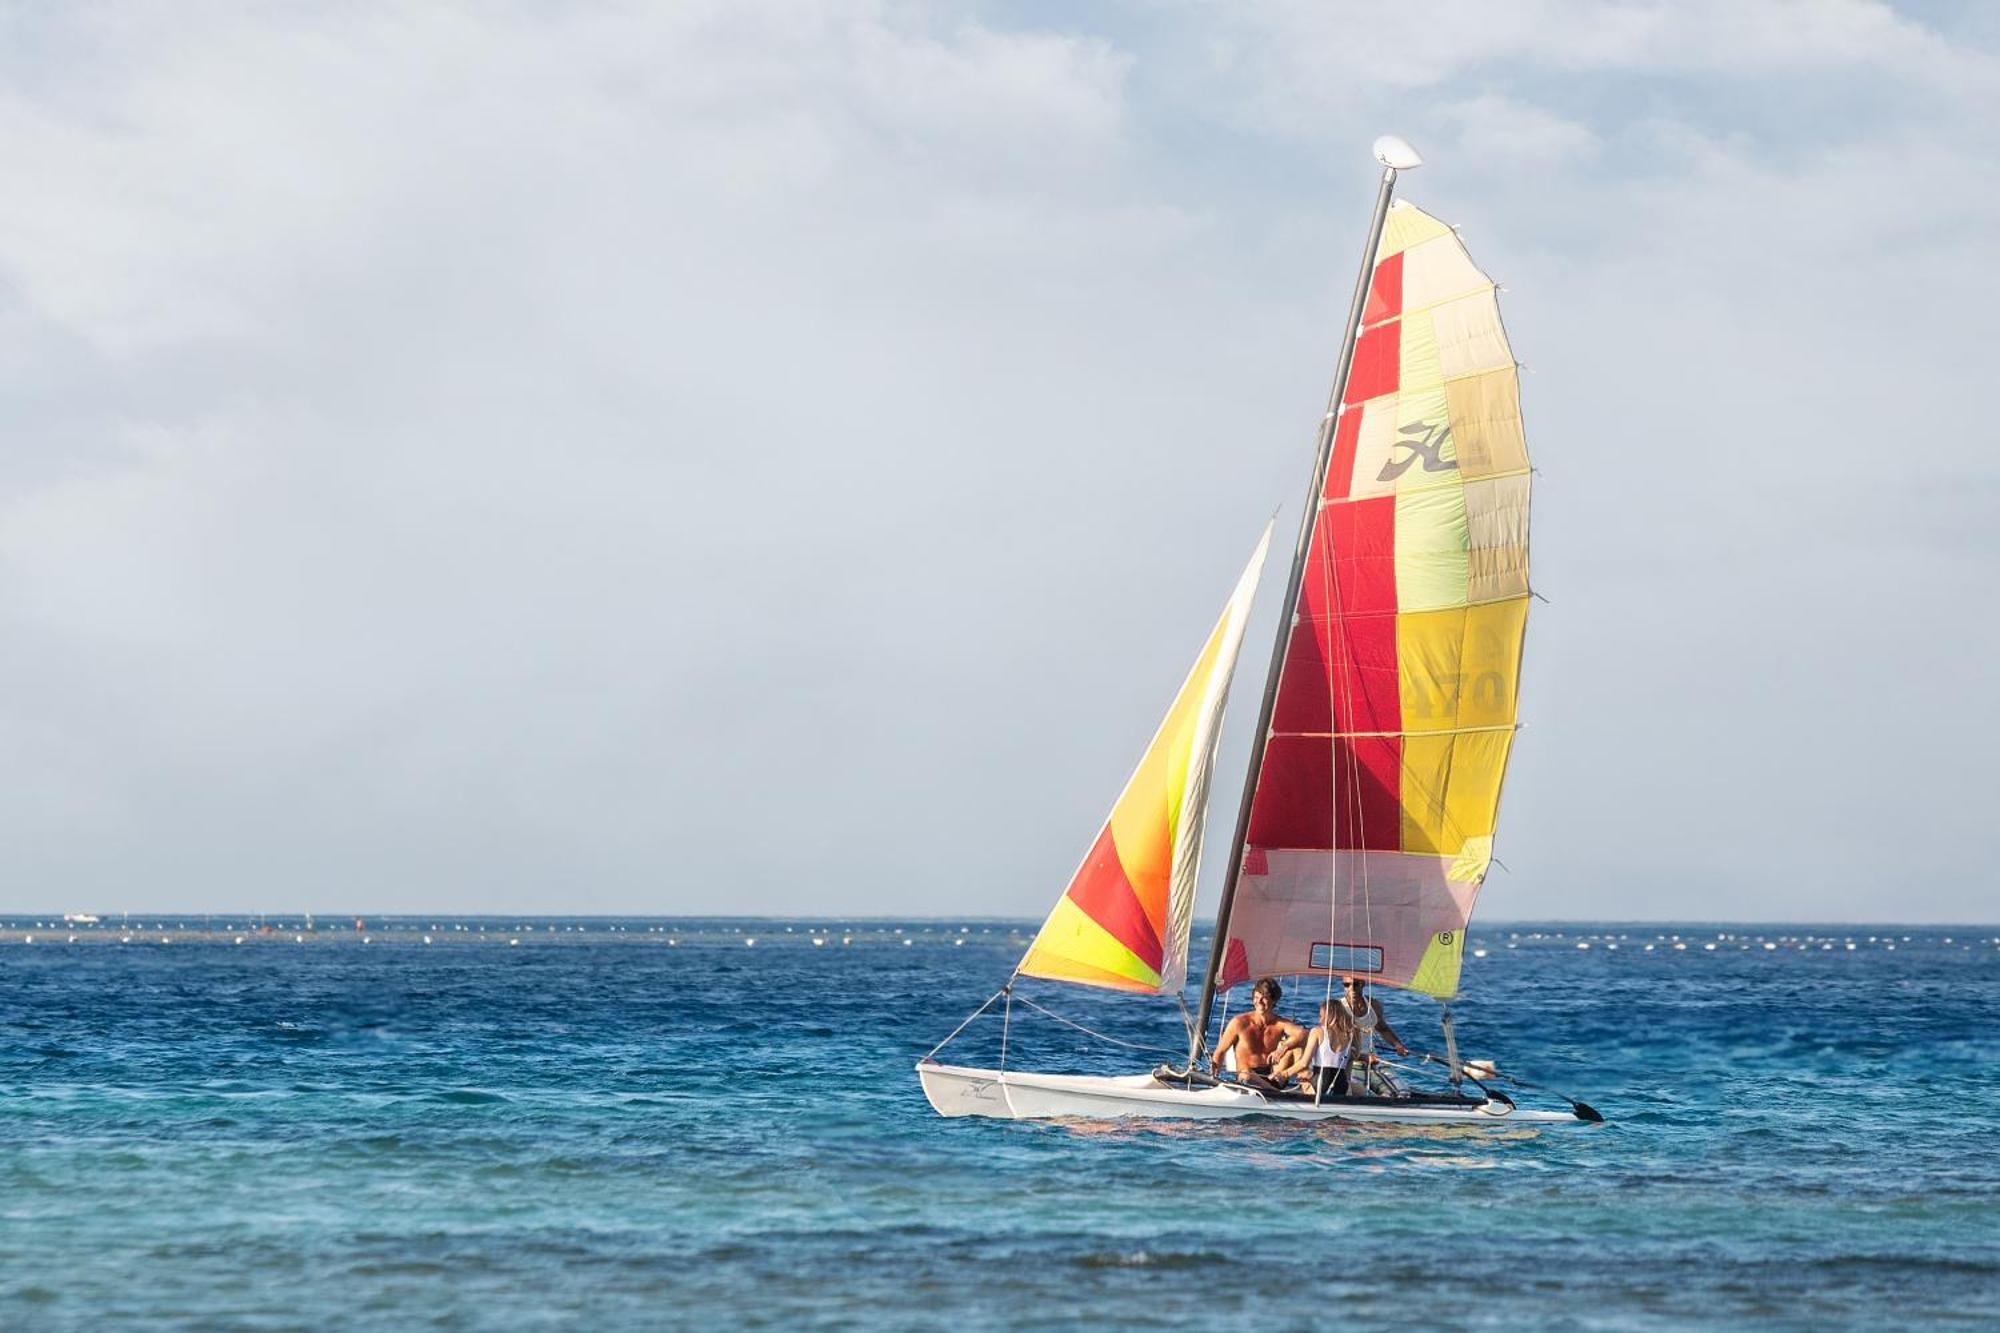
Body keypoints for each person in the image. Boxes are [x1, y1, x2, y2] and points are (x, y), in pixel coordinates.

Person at [1208, 977, 1304, 1086]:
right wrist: (1213, 1081)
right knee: (1246, 1073)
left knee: (1297, 1046)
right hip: (1248, 1079)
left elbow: (1302, 1033)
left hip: (1272, 1076)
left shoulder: (1279, 1023)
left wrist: (1284, 1047)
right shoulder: (1239, 1023)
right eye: (1256, 998)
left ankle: (1307, 1091)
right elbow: (1219, 1052)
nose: (1259, 1002)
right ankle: (1276, 1093)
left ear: (1274, 1000)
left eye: (1264, 998)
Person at [1277, 997, 1356, 1095]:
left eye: (1321, 1016)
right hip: (1342, 1086)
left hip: (1319, 1085)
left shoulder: (1317, 1032)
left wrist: (1284, 1074)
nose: (1320, 1020)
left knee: (1297, 1051)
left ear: (1330, 1016)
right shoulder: (1349, 1036)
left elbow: (1304, 1063)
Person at [1341, 978, 1408, 1093]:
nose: (1351, 989)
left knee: (1402, 1092)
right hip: (1349, 1064)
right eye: (1347, 985)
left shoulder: (1374, 1005)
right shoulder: (1339, 1009)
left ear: (1363, 984)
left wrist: (1398, 1045)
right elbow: (1335, 1046)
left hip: (1373, 1062)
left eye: (1355, 984)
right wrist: (1362, 1056)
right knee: (1353, 1094)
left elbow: (1383, 1029)